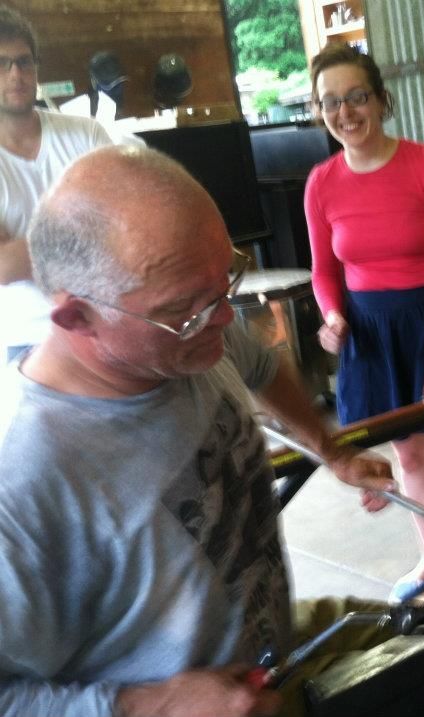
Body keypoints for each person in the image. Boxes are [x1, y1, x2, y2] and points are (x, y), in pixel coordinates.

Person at [0, 144, 396, 717]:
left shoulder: (195, 331)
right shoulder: (21, 482)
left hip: (272, 650)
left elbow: (260, 365)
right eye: (187, 309)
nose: (225, 317)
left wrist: (330, 450)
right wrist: (150, 704)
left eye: (226, 281)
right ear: (77, 317)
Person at [305, 43, 424, 603]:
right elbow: (325, 271)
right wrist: (332, 316)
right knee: (409, 458)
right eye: (330, 102)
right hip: (371, 334)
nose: (345, 112)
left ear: (380, 100)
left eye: (356, 97)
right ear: (320, 111)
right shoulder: (321, 183)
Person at [0, 4, 112, 361]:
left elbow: (121, 230)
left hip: (107, 324)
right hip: (28, 339)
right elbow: (4, 267)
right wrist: (85, 235)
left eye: (24, 61)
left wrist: (25, 249)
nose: (15, 73)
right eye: (2, 63)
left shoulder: (87, 134)